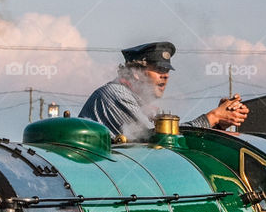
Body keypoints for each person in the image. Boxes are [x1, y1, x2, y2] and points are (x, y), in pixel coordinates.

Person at [79, 41, 248, 140]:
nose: (165, 76)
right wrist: (212, 117)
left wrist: (219, 123)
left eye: (167, 71)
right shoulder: (116, 94)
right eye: (159, 69)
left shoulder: (144, 105)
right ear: (136, 73)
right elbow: (158, 141)